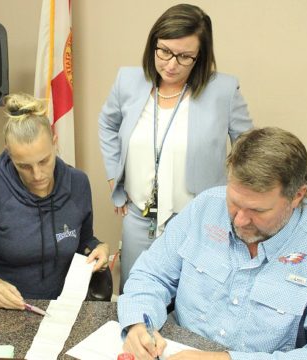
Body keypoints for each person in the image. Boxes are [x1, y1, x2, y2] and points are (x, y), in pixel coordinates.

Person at [118, 127, 307, 360]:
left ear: (297, 196)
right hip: (173, 350)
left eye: (257, 210)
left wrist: (225, 359)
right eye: (234, 202)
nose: (239, 220)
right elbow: (151, 275)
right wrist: (138, 323)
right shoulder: (206, 207)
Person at [98, 3, 253, 291]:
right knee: (136, 295)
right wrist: (113, 174)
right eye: (165, 51)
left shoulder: (223, 90)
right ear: (153, 45)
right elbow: (107, 125)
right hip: (139, 219)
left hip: (199, 221)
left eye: (184, 57)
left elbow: (251, 146)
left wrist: (278, 186)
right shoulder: (128, 81)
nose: (171, 65)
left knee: (193, 304)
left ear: (200, 57)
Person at [0, 93, 109, 309]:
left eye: (44, 161)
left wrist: (99, 247)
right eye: (24, 166)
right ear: (9, 154)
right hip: (0, 309)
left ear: (55, 143)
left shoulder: (78, 183)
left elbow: (84, 241)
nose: (37, 175)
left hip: (57, 309)